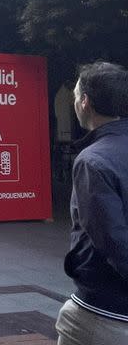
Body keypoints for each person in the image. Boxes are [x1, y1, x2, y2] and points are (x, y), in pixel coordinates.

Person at [55, 62, 128, 345]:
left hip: (104, 311)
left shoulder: (93, 160)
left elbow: (113, 241)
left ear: (85, 102)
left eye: (75, 96)